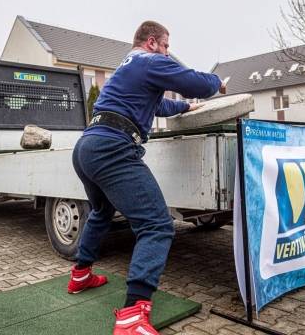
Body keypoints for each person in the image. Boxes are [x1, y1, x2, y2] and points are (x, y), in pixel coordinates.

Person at [67, 21, 226, 335]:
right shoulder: (149, 60)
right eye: (166, 45)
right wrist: (216, 82)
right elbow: (193, 81)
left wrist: (185, 107)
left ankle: (81, 275)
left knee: (101, 211)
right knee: (156, 225)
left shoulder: (128, 67)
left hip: (86, 147)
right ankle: (132, 315)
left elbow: (159, 105)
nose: (167, 52)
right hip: (112, 148)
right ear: (152, 42)